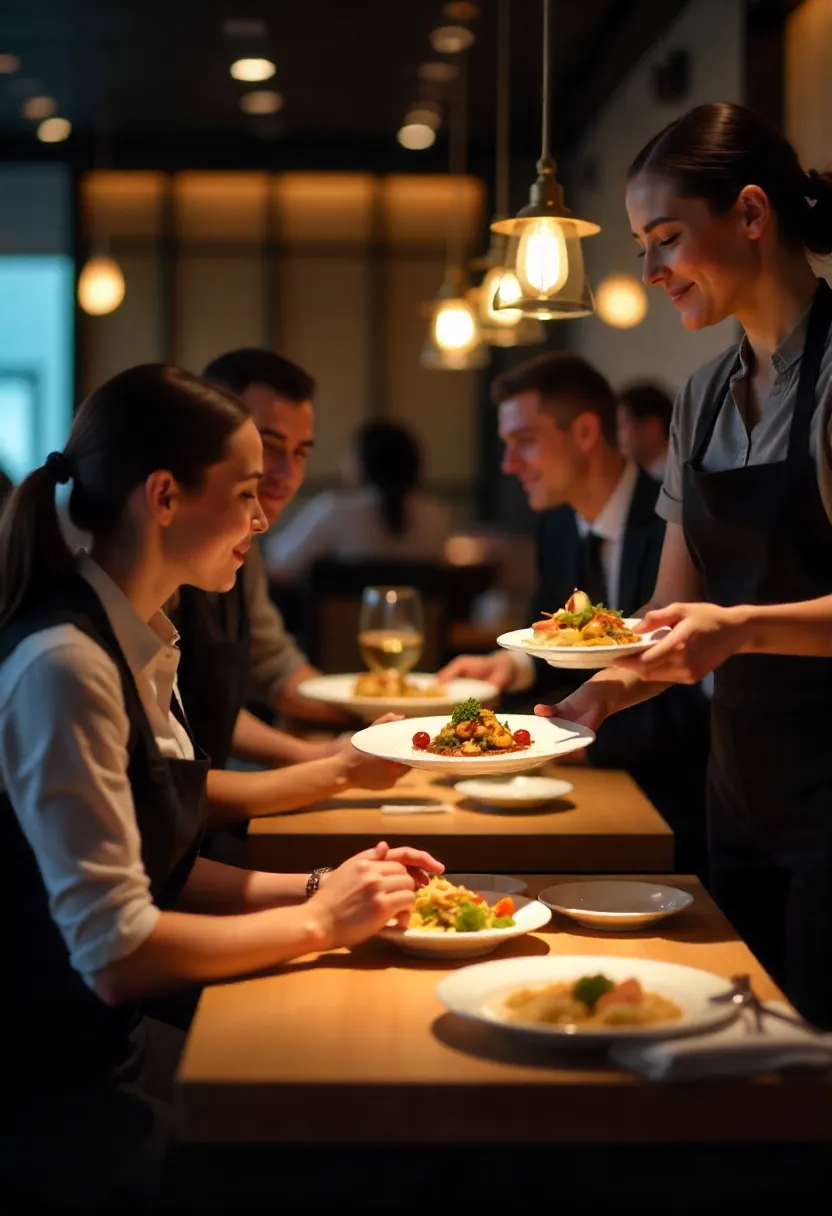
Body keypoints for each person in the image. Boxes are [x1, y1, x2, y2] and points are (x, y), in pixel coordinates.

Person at [0, 363, 442, 1208]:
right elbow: (116, 955)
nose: (264, 513)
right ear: (163, 497)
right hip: (53, 1085)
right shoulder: (67, 664)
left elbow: (158, 865)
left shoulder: (141, 638)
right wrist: (320, 920)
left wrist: (331, 886)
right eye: (245, 490)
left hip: (102, 1049)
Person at [543, 102, 832, 1028]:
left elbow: (717, 626)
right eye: (640, 245)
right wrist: (603, 690)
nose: (650, 271)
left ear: (751, 214)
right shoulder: (703, 397)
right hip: (737, 786)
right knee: (734, 1042)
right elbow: (674, 611)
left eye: (665, 238)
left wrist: (738, 631)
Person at [440, 351, 710, 874]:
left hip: (675, 800)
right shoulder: (559, 527)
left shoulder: (676, 525)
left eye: (524, 442)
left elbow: (695, 686)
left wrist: (575, 743)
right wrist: (510, 667)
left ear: (585, 432)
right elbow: (553, 642)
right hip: (588, 778)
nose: (508, 464)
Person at [263, 420, 452, 581]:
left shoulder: (334, 510)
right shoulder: (435, 515)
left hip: (339, 625)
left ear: (362, 463)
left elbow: (281, 565)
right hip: (416, 623)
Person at [616, 381, 673, 480]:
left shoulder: (682, 478)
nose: (616, 436)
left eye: (621, 426)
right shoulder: (635, 479)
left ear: (652, 427)